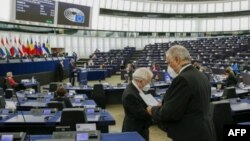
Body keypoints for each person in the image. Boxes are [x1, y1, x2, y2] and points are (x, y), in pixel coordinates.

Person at [147, 45, 215, 141]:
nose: (168, 66)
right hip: (204, 130)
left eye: (168, 62)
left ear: (177, 59)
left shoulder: (182, 79)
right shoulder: (201, 75)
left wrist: (153, 110)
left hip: (190, 134)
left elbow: (170, 113)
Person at [122, 67, 153, 141]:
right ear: (141, 81)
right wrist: (154, 110)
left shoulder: (136, 88)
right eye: (148, 81)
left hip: (141, 128)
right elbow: (142, 114)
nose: (148, 83)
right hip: (135, 131)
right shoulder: (130, 95)